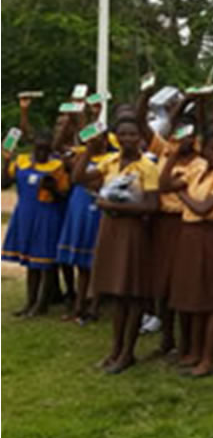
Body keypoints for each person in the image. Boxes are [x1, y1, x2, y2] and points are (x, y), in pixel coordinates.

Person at [76, 117, 159, 374]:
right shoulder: (109, 162)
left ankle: (127, 352)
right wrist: (89, 148)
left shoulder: (148, 166)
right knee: (116, 291)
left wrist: (113, 206)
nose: (127, 139)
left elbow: (151, 206)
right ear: (115, 137)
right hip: (110, 230)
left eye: (132, 134)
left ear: (140, 137)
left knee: (131, 293)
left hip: (133, 231)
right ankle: (115, 349)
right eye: (122, 134)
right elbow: (78, 178)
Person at [169, 130, 213, 378]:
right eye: (212, 149)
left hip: (208, 235)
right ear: (203, 149)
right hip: (189, 234)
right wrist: (173, 157)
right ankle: (195, 352)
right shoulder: (198, 169)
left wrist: (182, 194)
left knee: (211, 299)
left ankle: (208, 358)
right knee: (194, 296)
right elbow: (166, 183)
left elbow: (203, 208)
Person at [150, 118, 205, 356]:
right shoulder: (165, 152)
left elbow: (164, 184)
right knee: (161, 283)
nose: (184, 140)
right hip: (161, 223)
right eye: (179, 135)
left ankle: (186, 343)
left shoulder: (200, 164)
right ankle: (167, 338)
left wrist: (173, 157)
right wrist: (171, 153)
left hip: (183, 223)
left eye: (189, 136)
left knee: (181, 284)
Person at [3, 131, 71, 317]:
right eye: (38, 149)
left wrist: (53, 189)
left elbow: (64, 194)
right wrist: (6, 161)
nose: (41, 153)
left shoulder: (57, 166)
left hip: (47, 215)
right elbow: (4, 184)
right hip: (25, 214)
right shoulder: (21, 161)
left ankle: (42, 305)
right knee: (31, 263)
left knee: (46, 263)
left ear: (50, 150)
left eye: (45, 150)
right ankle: (30, 302)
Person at [56, 130, 112, 323]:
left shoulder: (111, 159)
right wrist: (88, 151)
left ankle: (94, 306)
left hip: (96, 210)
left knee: (95, 260)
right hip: (78, 207)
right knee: (81, 263)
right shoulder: (82, 155)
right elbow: (75, 178)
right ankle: (79, 306)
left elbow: (97, 183)